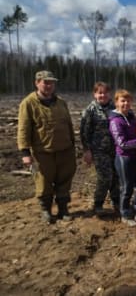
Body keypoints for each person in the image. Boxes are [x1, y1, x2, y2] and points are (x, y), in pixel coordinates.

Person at [17, 70, 76, 223]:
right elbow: (23, 129)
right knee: (43, 183)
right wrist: (25, 152)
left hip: (65, 150)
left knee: (64, 181)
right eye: (46, 82)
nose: (49, 85)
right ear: (37, 83)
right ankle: (46, 210)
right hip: (43, 153)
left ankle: (63, 209)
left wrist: (72, 144)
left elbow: (68, 124)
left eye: (52, 82)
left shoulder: (61, 102)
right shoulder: (28, 103)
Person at [109, 89, 136, 227]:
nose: (126, 103)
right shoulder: (115, 121)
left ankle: (135, 207)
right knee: (127, 188)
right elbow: (122, 143)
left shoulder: (131, 116)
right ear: (117, 102)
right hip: (124, 158)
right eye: (122, 101)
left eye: (128, 100)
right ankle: (125, 213)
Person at [80, 81, 119, 216]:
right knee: (105, 178)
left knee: (116, 176)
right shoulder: (90, 110)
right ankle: (98, 204)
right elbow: (84, 132)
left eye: (105, 92)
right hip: (99, 150)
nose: (103, 95)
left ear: (110, 94)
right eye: (100, 93)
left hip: (115, 149)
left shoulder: (115, 108)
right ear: (95, 94)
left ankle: (116, 202)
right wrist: (87, 150)